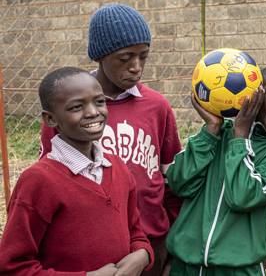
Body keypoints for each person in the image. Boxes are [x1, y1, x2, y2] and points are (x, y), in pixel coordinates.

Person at [38, 3, 182, 276]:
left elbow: (172, 184)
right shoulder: (68, 112)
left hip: (150, 246)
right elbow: (48, 185)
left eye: (143, 57)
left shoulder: (157, 106)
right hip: (90, 253)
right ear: (101, 56)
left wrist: (173, 247)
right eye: (125, 58)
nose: (136, 67)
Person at [0, 67, 153, 275]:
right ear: (50, 119)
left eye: (99, 101)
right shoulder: (38, 181)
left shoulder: (117, 167)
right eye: (76, 107)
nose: (93, 112)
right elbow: (12, 266)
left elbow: (136, 232)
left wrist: (143, 254)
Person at [165, 65, 266, 276]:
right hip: (186, 265)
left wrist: (241, 137)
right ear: (254, 95)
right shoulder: (218, 134)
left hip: (239, 269)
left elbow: (242, 197)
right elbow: (179, 183)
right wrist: (210, 129)